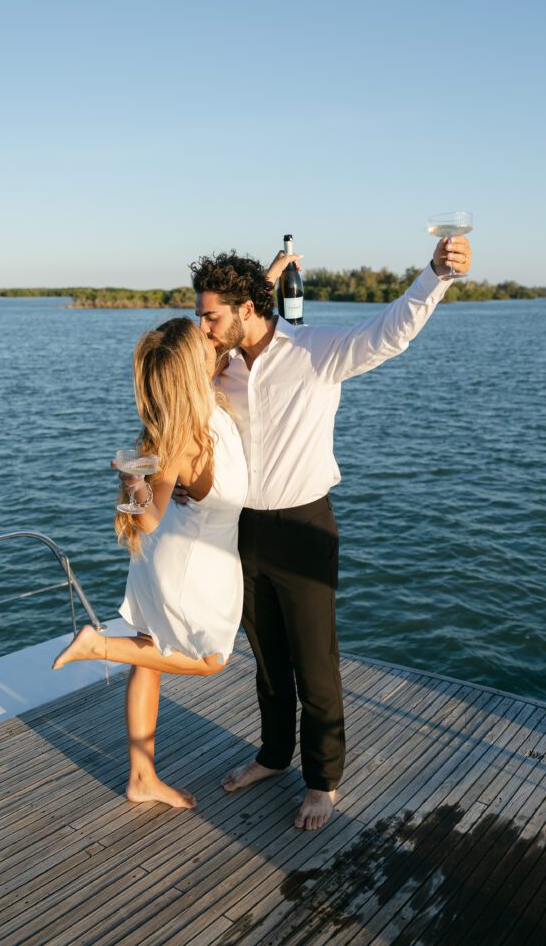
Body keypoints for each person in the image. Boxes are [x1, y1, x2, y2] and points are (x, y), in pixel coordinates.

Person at [180, 235, 472, 830]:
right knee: (266, 661)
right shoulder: (220, 369)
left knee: (315, 663)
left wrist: (436, 275)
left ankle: (322, 781)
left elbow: (390, 332)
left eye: (209, 316)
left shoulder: (317, 349)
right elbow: (190, 427)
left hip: (305, 527)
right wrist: (185, 480)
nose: (202, 328)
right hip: (242, 528)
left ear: (245, 310)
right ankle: (272, 756)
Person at [53, 317, 248, 810]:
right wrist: (133, 482)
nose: (211, 338)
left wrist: (265, 279)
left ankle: (141, 777)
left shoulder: (205, 397)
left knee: (149, 654)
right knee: (209, 661)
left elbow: (230, 326)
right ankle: (97, 646)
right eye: (202, 340)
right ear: (190, 368)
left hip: (183, 555)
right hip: (189, 568)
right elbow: (147, 521)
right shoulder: (185, 435)